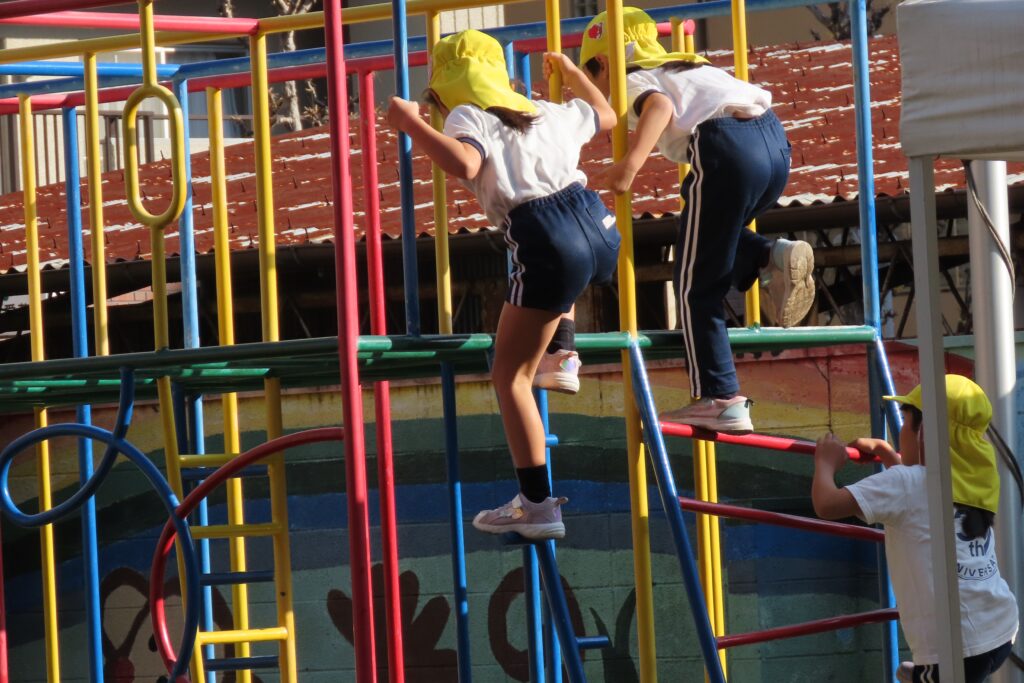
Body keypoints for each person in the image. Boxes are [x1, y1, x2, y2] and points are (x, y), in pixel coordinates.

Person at [387, 30, 620, 539]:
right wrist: (573, 74)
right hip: (600, 228)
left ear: (444, 92)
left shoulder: (467, 116)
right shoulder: (546, 111)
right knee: (561, 287)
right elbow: (606, 115)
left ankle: (536, 505)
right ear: (505, 79)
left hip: (547, 237)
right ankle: (562, 355)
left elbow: (465, 162)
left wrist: (410, 124)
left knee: (509, 376)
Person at [578, 7, 816, 433]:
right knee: (704, 234)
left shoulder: (632, 77)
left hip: (727, 147)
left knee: (694, 285)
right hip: (775, 145)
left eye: (591, 78)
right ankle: (769, 255)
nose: (599, 93)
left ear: (604, 62)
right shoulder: (685, 64)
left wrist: (629, 165)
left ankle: (720, 397)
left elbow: (659, 106)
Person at [812, 374, 1018, 683]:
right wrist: (887, 453)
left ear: (925, 435)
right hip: (1000, 629)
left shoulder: (905, 484)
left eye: (905, 424)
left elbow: (826, 505)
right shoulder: (976, 476)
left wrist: (825, 463)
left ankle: (926, 676)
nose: (900, 433)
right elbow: (919, 496)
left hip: (953, 651)